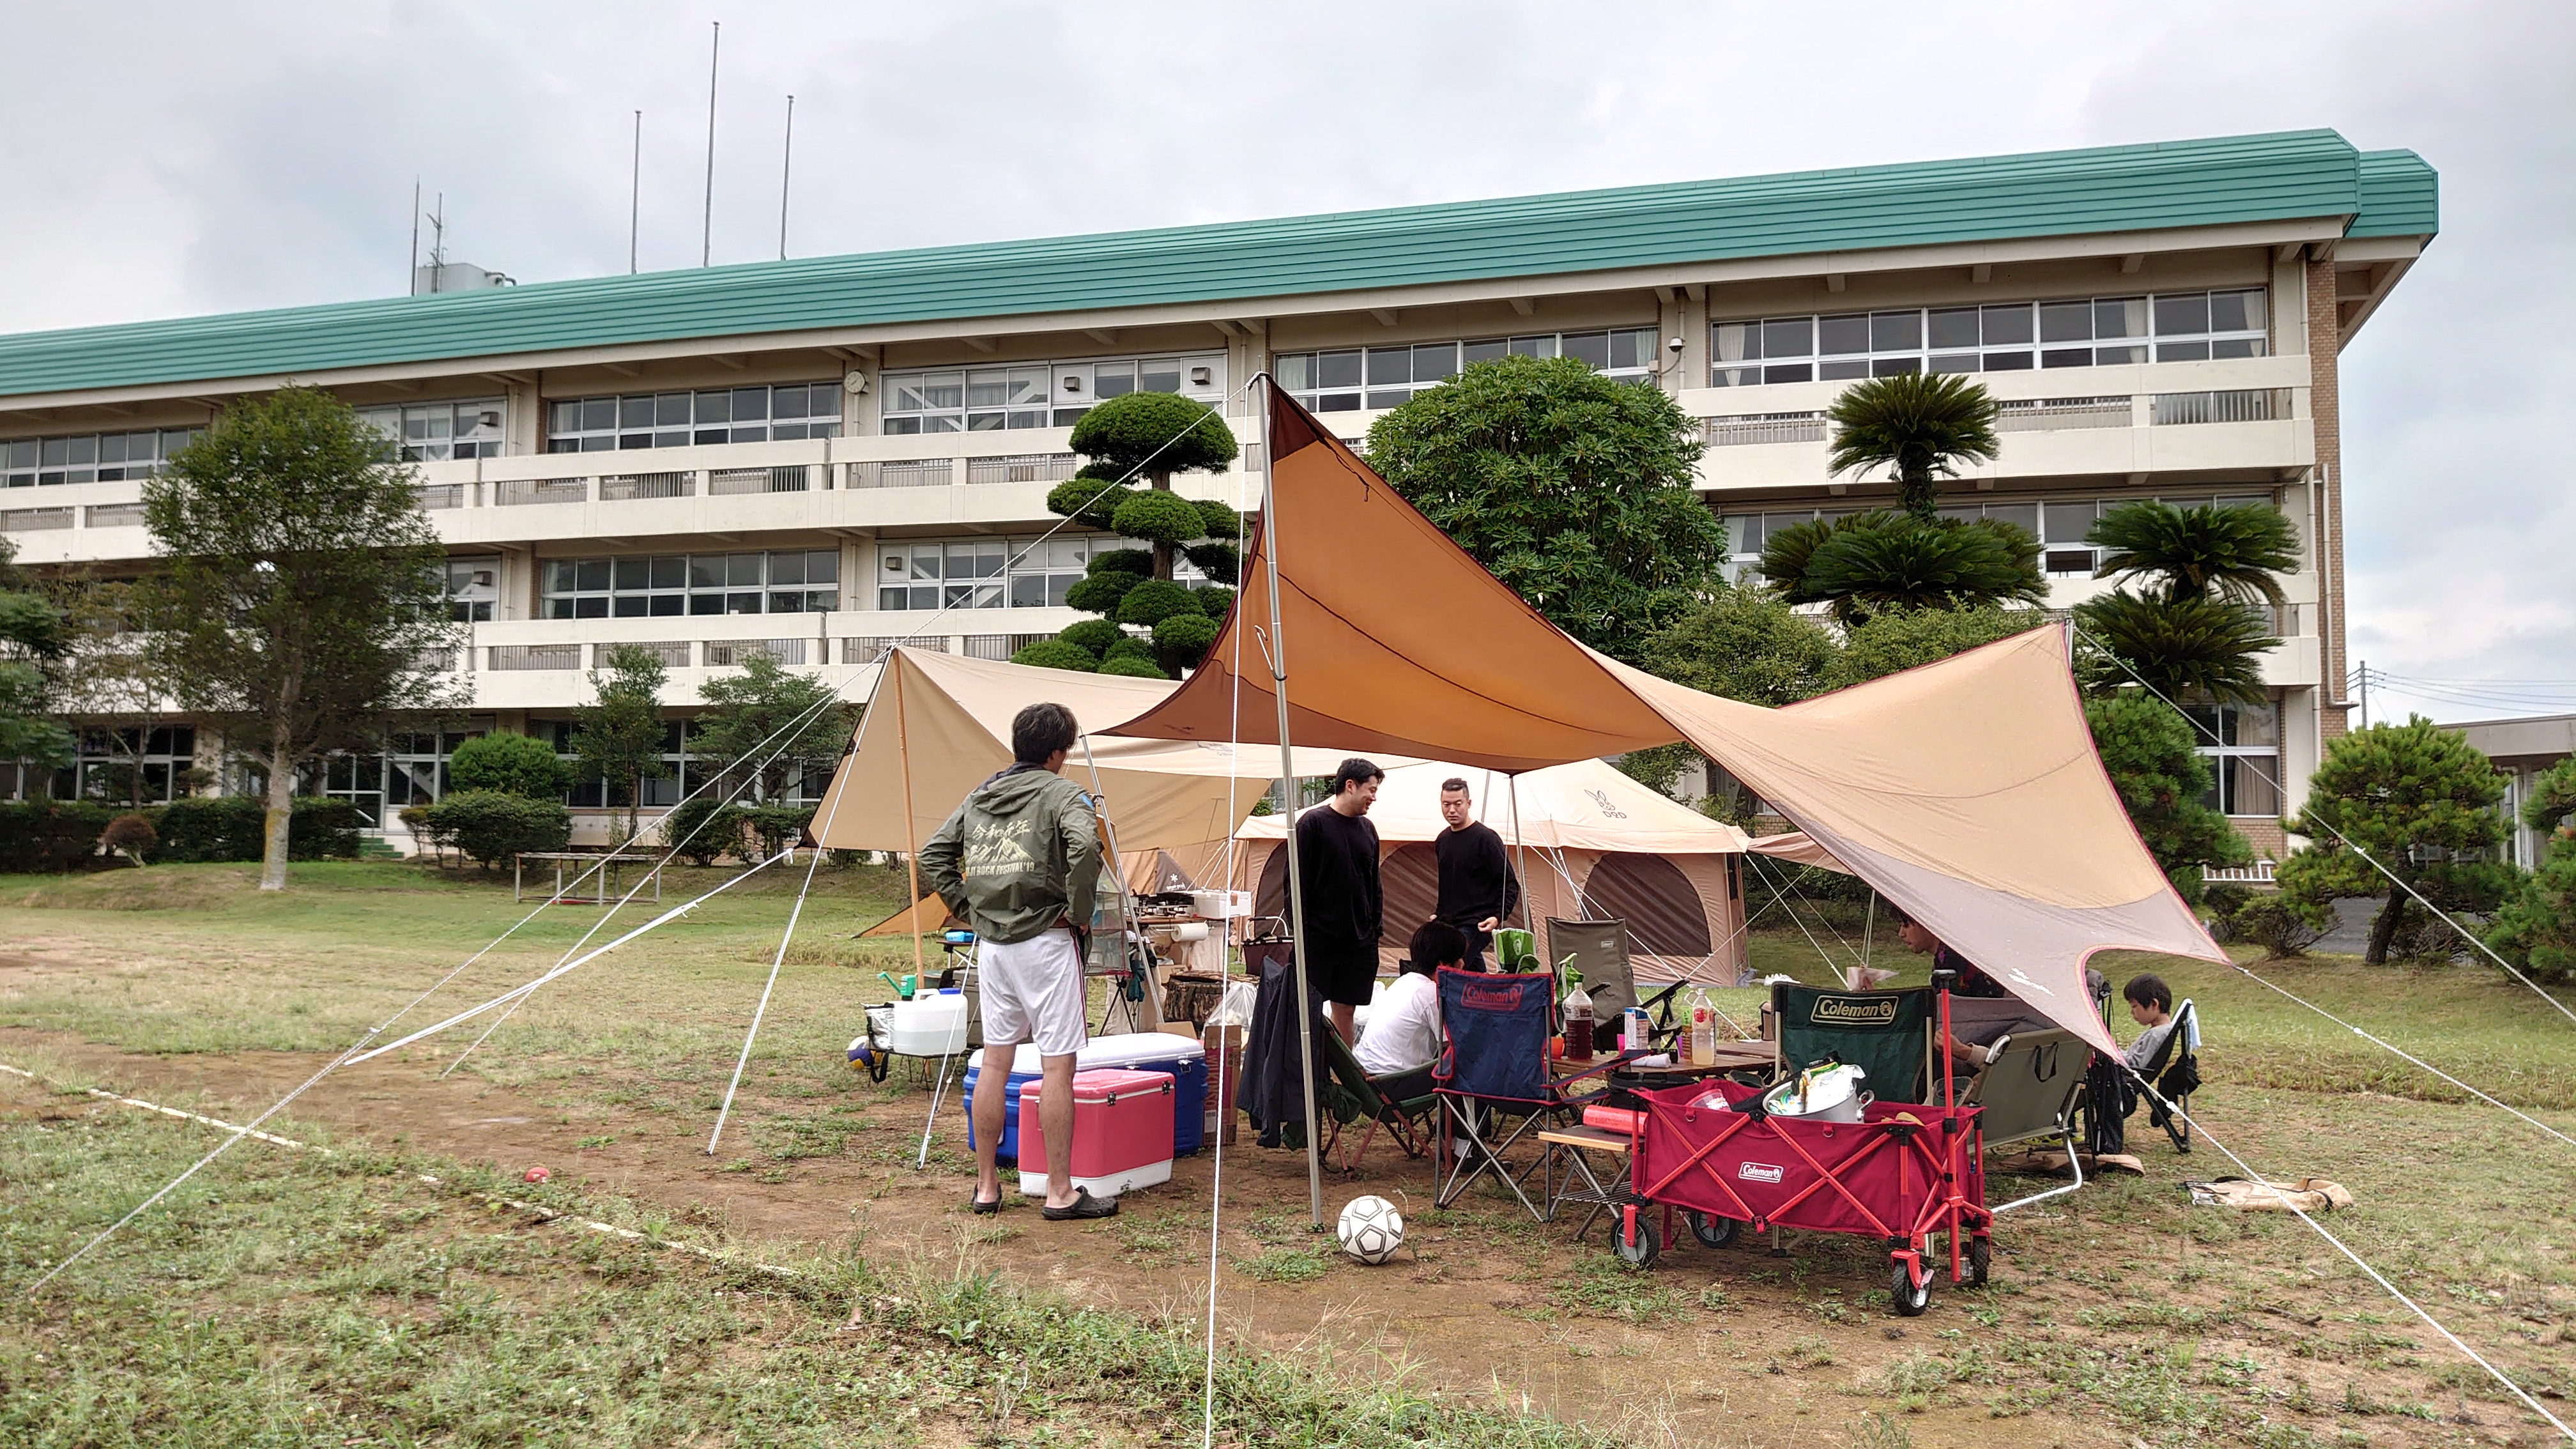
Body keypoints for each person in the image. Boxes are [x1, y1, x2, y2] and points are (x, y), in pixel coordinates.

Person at [919, 702, 1116, 1222]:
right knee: (1058, 1066)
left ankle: (986, 1187)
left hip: (993, 947)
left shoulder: (982, 793)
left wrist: (970, 908)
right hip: (1047, 943)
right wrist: (1077, 912)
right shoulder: (1064, 793)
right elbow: (1086, 848)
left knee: (995, 1059)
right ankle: (1059, 1191)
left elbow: (933, 855)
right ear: (1058, 752)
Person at [1294, 757, 1384, 1047]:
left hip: (1359, 940)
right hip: (1319, 938)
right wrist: (1302, 932)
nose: (1373, 797)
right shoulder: (1312, 824)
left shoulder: (1368, 830)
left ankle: (1343, 1078)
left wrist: (1375, 930)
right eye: (1370, 790)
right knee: (1308, 1011)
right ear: (1350, 786)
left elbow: (1374, 885)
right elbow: (1296, 883)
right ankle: (1308, 1076)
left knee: (1346, 1009)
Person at [1354, 921, 1465, 1101]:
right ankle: (1463, 1129)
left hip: (1366, 1080)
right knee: (1467, 1068)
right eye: (1459, 958)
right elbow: (1453, 1045)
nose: (1463, 964)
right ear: (1443, 964)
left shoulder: (1405, 982)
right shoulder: (1431, 994)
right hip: (1392, 1084)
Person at [1893, 908, 2003, 1072]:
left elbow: (1937, 1013)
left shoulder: (1950, 960)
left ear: (1925, 923)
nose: (1901, 934)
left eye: (1906, 925)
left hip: (1984, 1042)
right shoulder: (1950, 953)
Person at [1434, 778, 1521, 970]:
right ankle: (1485, 997)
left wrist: (1498, 916)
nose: (1452, 810)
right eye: (1446, 805)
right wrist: (1439, 914)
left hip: (1477, 922)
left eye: (1458, 804)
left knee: (1453, 966)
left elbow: (1510, 884)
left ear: (1469, 803)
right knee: (1472, 971)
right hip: (1448, 921)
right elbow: (1447, 884)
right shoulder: (1442, 840)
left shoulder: (1486, 839)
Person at [2120, 973, 2179, 1073]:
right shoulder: (2163, 1030)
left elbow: (2135, 1067)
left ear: (2154, 1004)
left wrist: (2111, 1051)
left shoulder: (2156, 1035)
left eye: (2134, 1006)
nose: (2132, 1012)